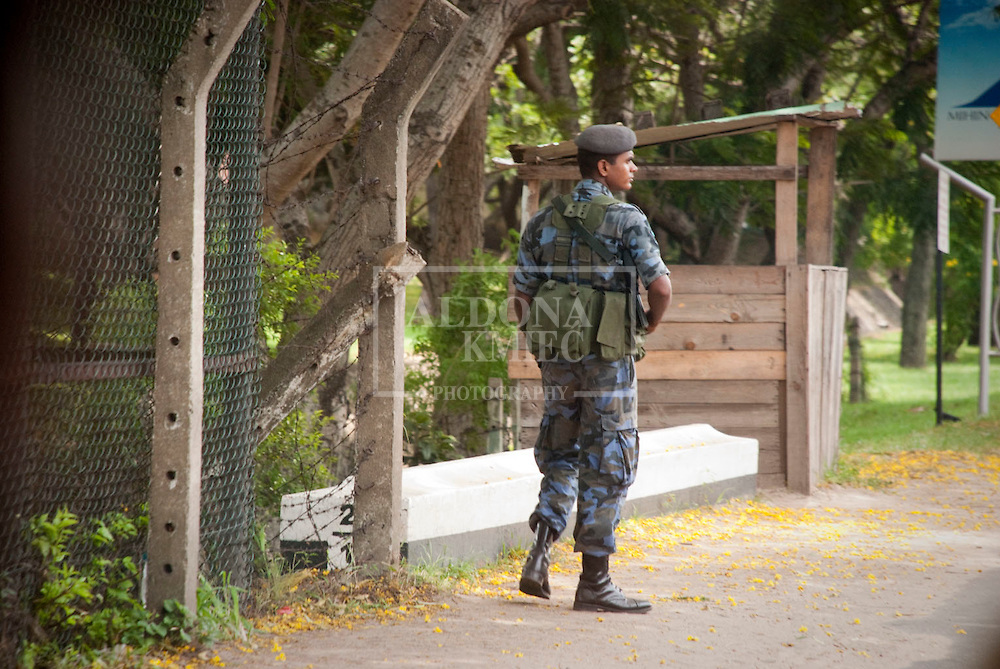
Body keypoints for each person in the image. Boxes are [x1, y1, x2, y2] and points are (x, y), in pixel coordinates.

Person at [512, 123, 672, 614]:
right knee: (609, 460)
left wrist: (543, 346)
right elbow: (661, 288)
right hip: (607, 360)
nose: (634, 167)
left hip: (557, 357)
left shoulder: (541, 221)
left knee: (561, 449)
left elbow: (521, 294)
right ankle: (594, 584)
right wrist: (645, 326)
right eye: (628, 160)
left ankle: (540, 552)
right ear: (604, 167)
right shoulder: (626, 219)